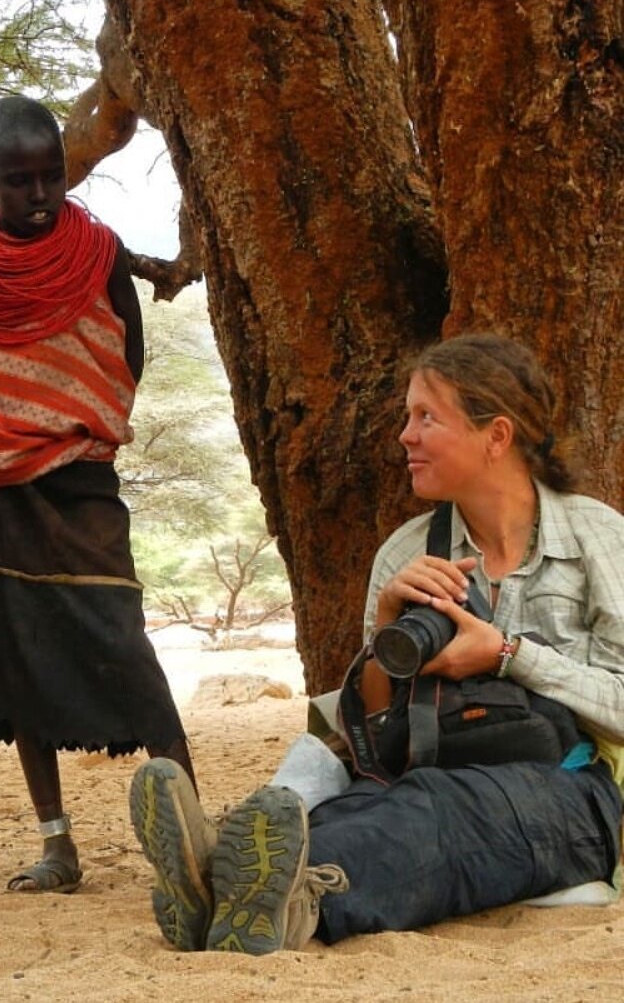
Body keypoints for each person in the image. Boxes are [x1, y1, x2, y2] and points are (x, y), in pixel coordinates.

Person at [130, 333, 624, 953]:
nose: (405, 437)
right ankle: (226, 892)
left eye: (426, 417)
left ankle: (286, 898)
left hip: (570, 791)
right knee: (363, 807)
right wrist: (387, 633)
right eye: (406, 417)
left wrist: (506, 654)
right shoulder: (407, 551)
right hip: (428, 769)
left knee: (436, 814)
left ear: (495, 436)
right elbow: (375, 732)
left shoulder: (598, 539)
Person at [0, 95, 196, 895]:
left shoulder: (98, 251)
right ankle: (57, 845)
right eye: (18, 181)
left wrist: (73, 416)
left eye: (51, 177)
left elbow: (123, 353)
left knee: (122, 639)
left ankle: (192, 824)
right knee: (15, 657)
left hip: (78, 480)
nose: (39, 194)